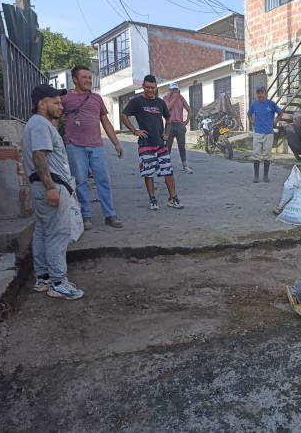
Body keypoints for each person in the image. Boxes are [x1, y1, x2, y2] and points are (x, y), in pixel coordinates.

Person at [22, 84, 85, 300]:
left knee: (42, 231)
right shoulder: (40, 124)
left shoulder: (37, 123)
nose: (61, 105)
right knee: (58, 233)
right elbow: (39, 156)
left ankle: (44, 278)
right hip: (50, 186)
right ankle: (58, 283)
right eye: (56, 102)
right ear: (42, 104)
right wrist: (50, 187)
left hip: (42, 186)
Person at [60, 65, 124, 231]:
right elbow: (54, 119)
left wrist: (116, 143)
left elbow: (106, 122)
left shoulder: (96, 98)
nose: (88, 80)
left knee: (104, 181)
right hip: (74, 146)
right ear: (75, 79)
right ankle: (85, 215)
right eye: (84, 77)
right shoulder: (65, 98)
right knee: (80, 182)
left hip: (97, 146)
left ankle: (110, 214)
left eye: (89, 77)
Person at [120, 75, 184, 211]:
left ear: (156, 87)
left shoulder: (160, 103)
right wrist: (134, 131)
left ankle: (173, 198)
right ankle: (152, 199)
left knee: (168, 171)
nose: (150, 90)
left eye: (152, 87)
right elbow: (123, 115)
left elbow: (168, 119)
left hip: (161, 143)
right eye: (147, 87)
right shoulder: (136, 102)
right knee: (148, 173)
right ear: (143, 86)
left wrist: (167, 133)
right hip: (145, 143)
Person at [247, 86, 283, 183]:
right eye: (258, 93)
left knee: (267, 155)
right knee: (256, 154)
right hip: (258, 133)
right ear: (257, 94)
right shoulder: (254, 104)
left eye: (262, 92)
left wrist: (275, 122)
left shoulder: (271, 104)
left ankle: (266, 176)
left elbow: (280, 113)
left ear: (265, 93)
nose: (260, 95)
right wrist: (251, 121)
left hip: (268, 134)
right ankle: (256, 176)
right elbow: (249, 113)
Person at [163, 82, 193, 174]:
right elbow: (167, 108)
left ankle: (185, 166)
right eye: (172, 89)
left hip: (179, 124)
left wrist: (187, 120)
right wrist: (174, 99)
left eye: (175, 89)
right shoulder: (165, 98)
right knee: (168, 146)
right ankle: (166, 166)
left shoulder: (181, 98)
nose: (174, 91)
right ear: (169, 90)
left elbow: (189, 109)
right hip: (169, 124)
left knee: (182, 146)